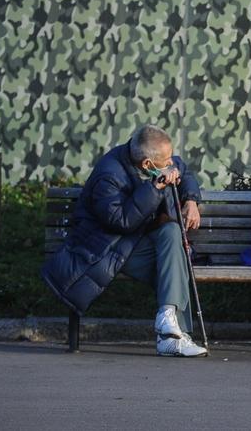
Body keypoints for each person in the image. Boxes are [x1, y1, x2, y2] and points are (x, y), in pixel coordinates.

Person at [41, 125, 207, 357]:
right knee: (176, 264)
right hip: (108, 248)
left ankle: (168, 321)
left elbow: (183, 170)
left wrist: (190, 200)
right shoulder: (108, 175)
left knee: (171, 232)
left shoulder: (154, 158)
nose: (171, 163)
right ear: (147, 165)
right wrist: (155, 187)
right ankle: (171, 338)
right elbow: (122, 221)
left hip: (137, 240)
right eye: (165, 161)